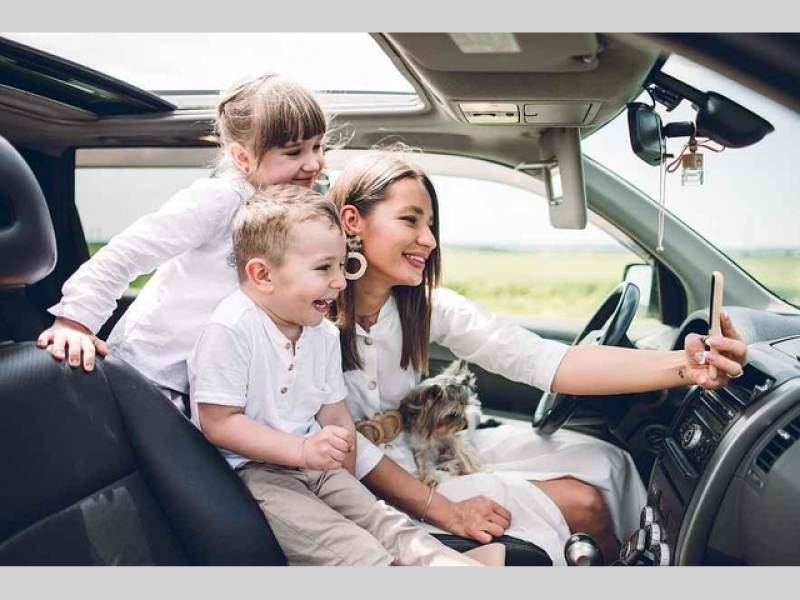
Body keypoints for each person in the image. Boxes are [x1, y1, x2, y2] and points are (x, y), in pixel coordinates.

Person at [327, 150, 749, 565]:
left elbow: (543, 359)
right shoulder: (313, 319)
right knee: (582, 503)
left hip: (427, 448)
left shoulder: (425, 307)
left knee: (609, 463)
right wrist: (444, 509)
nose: (430, 240)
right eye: (410, 220)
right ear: (352, 221)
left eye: (431, 225)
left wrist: (685, 367)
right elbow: (348, 448)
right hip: (376, 486)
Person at [189, 185, 499, 566]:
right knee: (355, 549)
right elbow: (219, 423)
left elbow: (334, 414)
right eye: (324, 268)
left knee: (389, 524)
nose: (340, 281)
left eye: (342, 265)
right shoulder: (231, 329)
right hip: (253, 473)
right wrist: (302, 450)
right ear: (262, 274)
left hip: (314, 465)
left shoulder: (321, 333)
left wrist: (345, 479)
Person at [36, 73, 327, 414]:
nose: (313, 164)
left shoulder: (291, 213)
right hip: (154, 373)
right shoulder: (220, 200)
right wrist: (75, 321)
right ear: (242, 157)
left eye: (318, 147)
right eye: (293, 152)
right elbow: (127, 253)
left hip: (212, 384)